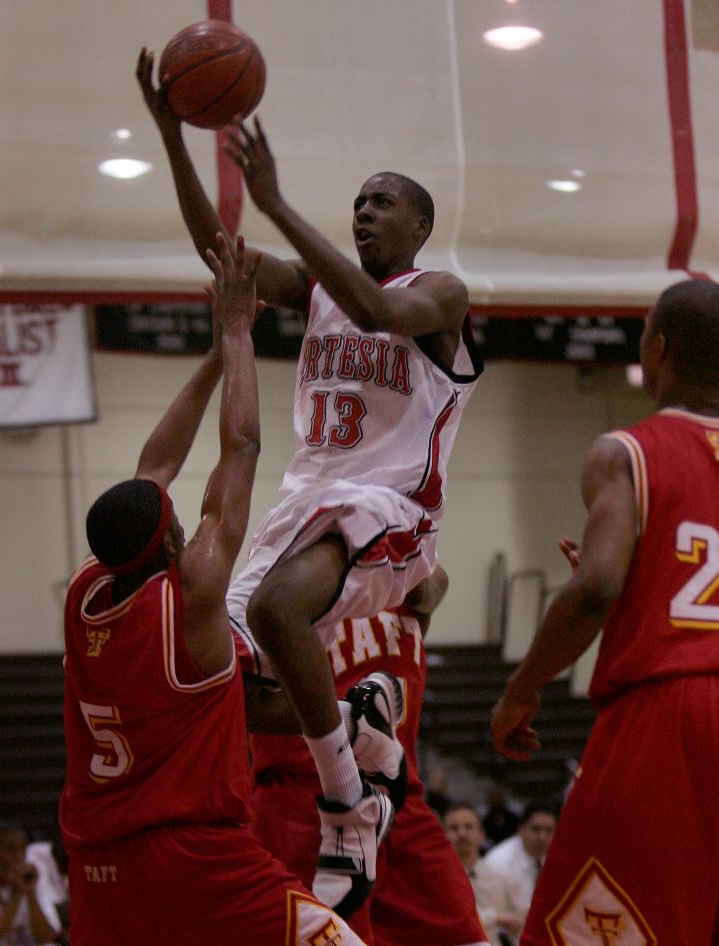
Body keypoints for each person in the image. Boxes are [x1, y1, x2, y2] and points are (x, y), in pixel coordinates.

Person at [137, 49, 484, 915]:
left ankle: (347, 805)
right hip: (309, 508)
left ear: (417, 227)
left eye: (383, 203)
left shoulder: (438, 292)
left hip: (394, 512)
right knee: (228, 690)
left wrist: (279, 204)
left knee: (272, 609)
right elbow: (222, 253)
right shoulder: (320, 290)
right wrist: (172, 136)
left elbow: (379, 313)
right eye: (359, 202)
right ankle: (365, 735)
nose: (365, 212)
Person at [58, 238, 370, 946]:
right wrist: (235, 332)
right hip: (193, 854)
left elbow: (155, 462)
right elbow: (242, 449)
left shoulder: (85, 591)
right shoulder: (192, 595)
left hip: (100, 865)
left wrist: (215, 354)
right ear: (171, 538)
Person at [490, 277, 719, 945]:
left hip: (669, 715)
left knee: (594, 928)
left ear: (658, 348)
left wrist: (521, 688)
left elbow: (595, 588)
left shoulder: (627, 451)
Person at [243, 566, 490, 946]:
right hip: (309, 809)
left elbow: (434, 583)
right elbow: (243, 704)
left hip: (401, 805)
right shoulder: (273, 581)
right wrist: (346, 718)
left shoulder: (412, 573)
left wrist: (396, 544)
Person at [0, 820, 62, 946]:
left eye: (23, 849)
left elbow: (46, 937)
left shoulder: (31, 870)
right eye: (10, 849)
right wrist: (17, 894)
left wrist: (30, 893)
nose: (19, 856)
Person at [443, 802, 525, 946]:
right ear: (443, 835)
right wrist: (497, 916)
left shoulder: (500, 875)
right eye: (454, 828)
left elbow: (520, 920)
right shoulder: (436, 879)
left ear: (482, 834)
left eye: (468, 827)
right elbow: (453, 920)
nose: (461, 833)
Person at [478, 803, 557, 945]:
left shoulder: (559, 856)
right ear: (520, 829)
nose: (542, 837)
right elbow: (492, 916)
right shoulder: (497, 863)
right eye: (536, 829)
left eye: (549, 831)